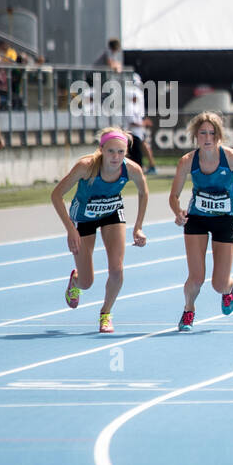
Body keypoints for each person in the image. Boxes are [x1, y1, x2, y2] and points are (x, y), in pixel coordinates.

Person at [50, 128, 149, 333]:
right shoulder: (86, 167)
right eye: (111, 151)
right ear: (101, 149)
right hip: (83, 218)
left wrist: (138, 227)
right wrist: (70, 229)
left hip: (112, 213)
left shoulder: (131, 169)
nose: (116, 157)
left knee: (117, 270)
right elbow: (56, 195)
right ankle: (75, 279)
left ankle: (106, 313)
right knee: (87, 282)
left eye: (121, 152)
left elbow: (143, 192)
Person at [169, 112, 233, 331]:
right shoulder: (188, 161)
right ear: (196, 136)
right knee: (196, 277)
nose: (207, 137)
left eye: (212, 133)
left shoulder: (229, 157)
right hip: (197, 219)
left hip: (225, 220)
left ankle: (228, 289)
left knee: (218, 283)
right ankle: (189, 310)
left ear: (219, 136)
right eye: (203, 133)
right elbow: (174, 196)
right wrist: (178, 212)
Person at [124, 72, 158, 175]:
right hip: (132, 130)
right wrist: (143, 122)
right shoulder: (130, 102)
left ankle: (149, 167)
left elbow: (135, 118)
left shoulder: (134, 98)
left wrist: (142, 122)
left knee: (138, 149)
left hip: (136, 130)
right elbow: (132, 120)